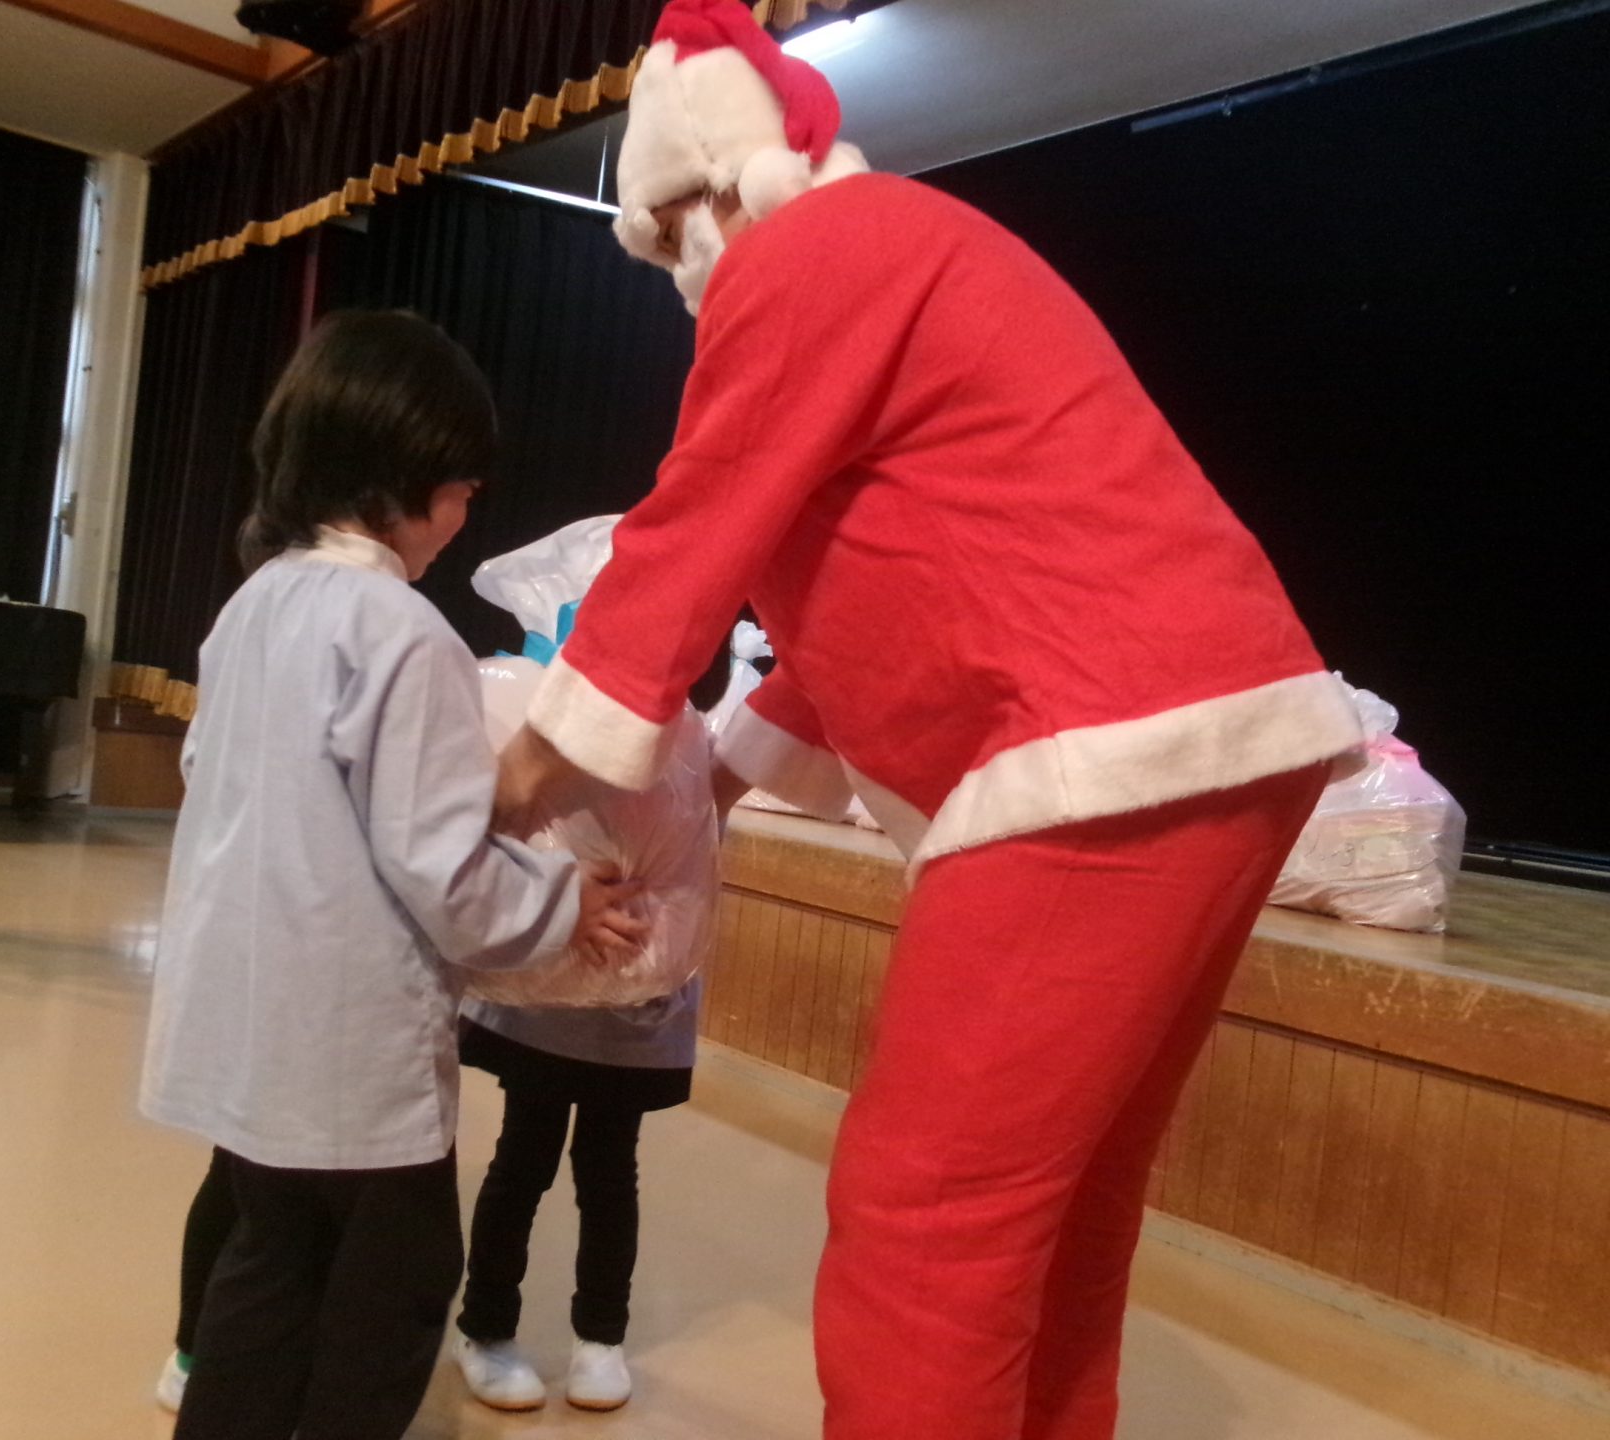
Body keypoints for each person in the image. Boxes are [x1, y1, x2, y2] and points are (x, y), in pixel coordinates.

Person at [491, 5, 1365, 1439]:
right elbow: (885, 590)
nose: (682, 266)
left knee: (928, 1214)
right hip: (1211, 733)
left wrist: (535, 760)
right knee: (1061, 1202)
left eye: (676, 226)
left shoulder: (817, 252)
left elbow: (692, 524)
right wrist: (708, 783)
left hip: (1099, 752)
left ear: (721, 182)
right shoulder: (898, 252)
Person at [138, 309, 646, 1440]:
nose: (462, 517)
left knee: (268, 1270)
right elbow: (441, 867)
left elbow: (207, 776)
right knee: (395, 1291)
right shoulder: (401, 630)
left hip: (248, 1016)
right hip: (345, 1041)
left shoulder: (253, 607)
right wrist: (562, 901)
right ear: (400, 475)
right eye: (459, 490)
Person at [448, 979, 701, 1414]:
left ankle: (602, 1336)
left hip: (636, 996)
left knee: (609, 1172)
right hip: (548, 992)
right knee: (524, 1160)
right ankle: (485, 1328)